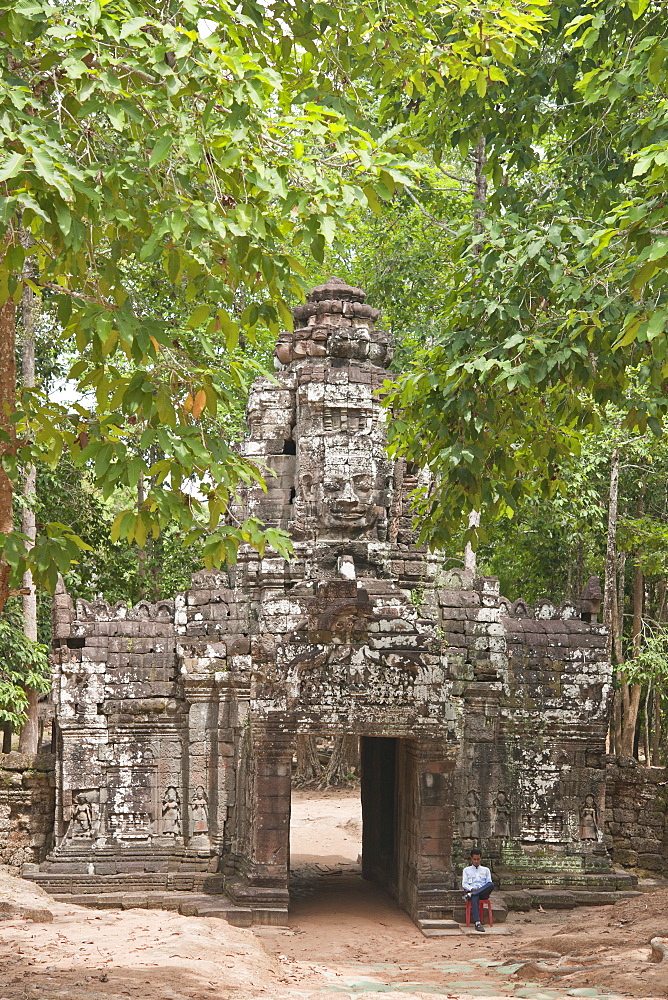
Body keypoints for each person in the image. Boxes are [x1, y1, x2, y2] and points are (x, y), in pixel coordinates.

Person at [462, 848, 494, 932]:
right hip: (472, 890)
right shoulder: (466, 870)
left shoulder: (486, 870)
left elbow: (488, 883)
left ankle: (471, 894)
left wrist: (478, 890)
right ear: (471, 859)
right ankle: (477, 922)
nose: (476, 861)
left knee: (491, 884)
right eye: (474, 859)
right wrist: (472, 889)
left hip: (483, 892)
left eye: (478, 859)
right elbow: (464, 884)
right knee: (475, 896)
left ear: (481, 859)